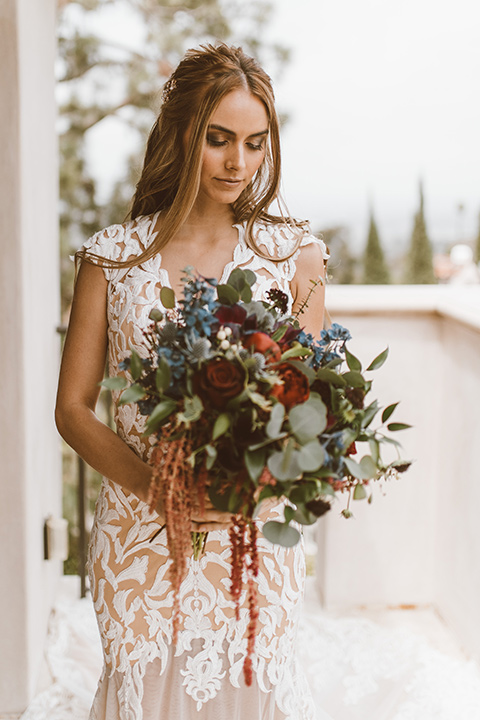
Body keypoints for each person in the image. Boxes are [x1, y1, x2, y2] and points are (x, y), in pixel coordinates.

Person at [55, 42, 328, 720]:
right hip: (139, 538)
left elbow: (314, 408)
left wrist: (249, 485)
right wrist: (160, 488)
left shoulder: (296, 257)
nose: (240, 162)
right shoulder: (112, 258)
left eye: (256, 143)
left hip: (252, 539)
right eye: (219, 140)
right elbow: (72, 409)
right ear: (182, 133)